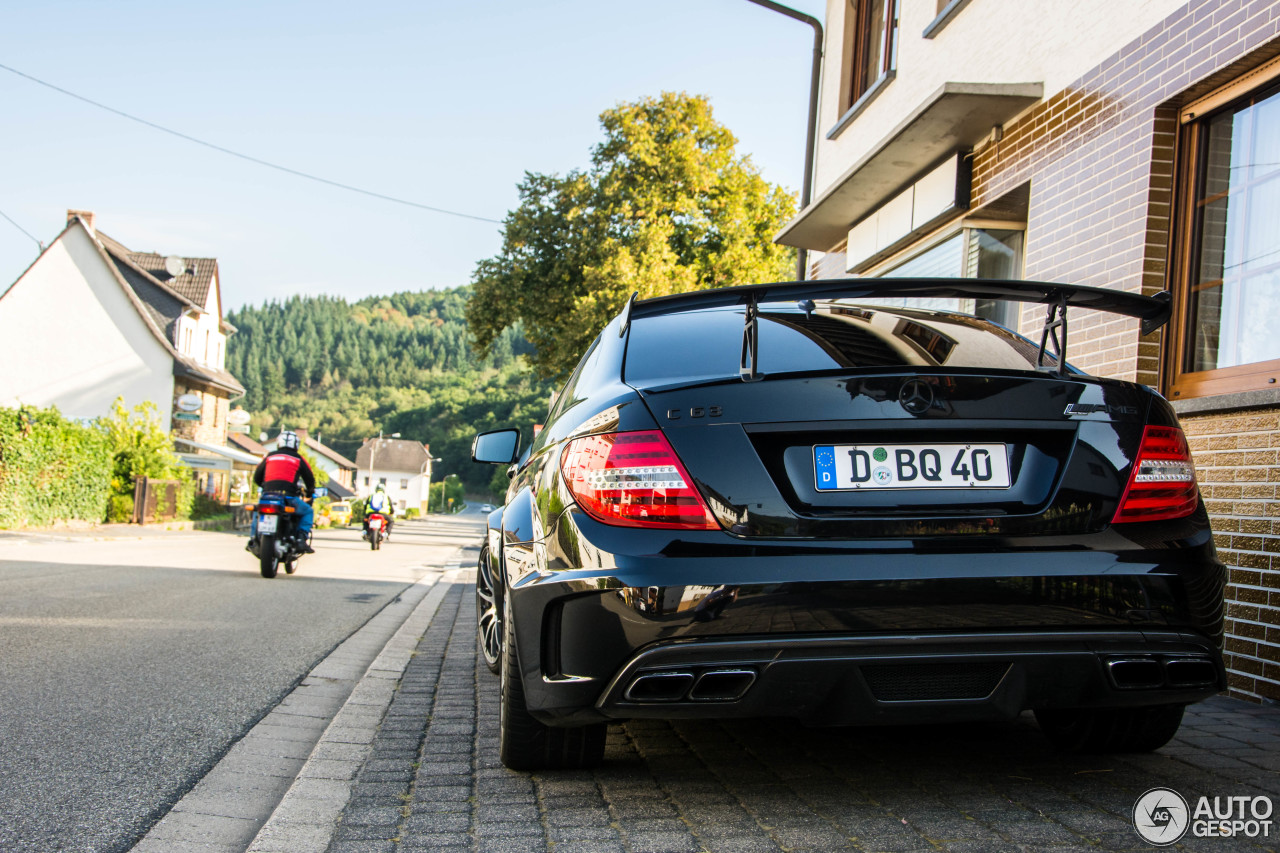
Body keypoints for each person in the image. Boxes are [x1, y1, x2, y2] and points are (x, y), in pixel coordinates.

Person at [252, 430, 316, 553]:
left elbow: (257, 477)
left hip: (268, 495)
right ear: (296, 445)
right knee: (308, 511)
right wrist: (309, 492)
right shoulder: (298, 459)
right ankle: (301, 540)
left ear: (278, 443)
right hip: (288, 497)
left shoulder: (269, 456)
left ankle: (253, 539)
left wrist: (266, 487)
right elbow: (310, 478)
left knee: (258, 511)